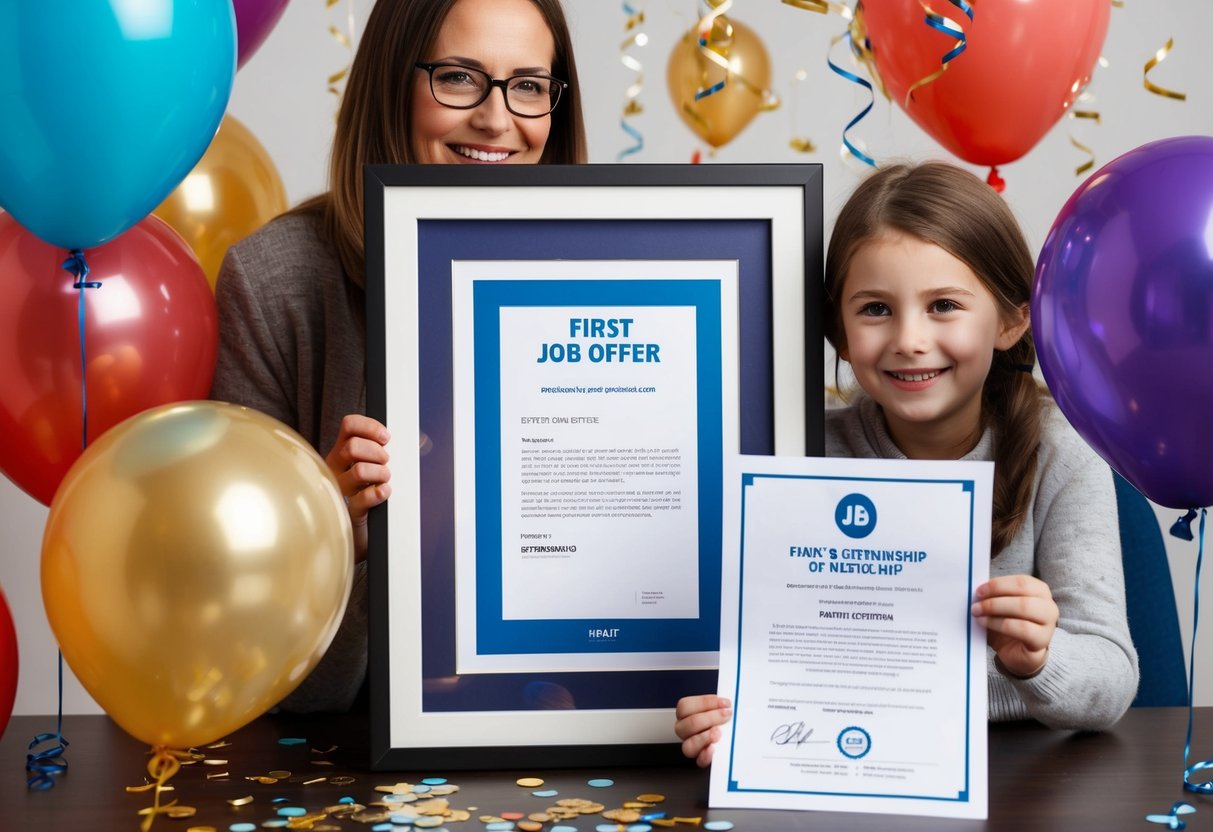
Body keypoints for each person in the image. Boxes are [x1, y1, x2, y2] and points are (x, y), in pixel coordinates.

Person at [675, 161, 1139, 766]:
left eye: (944, 304)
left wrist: (1041, 657)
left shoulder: (1062, 452)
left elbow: (1112, 681)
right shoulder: (796, 454)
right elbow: (766, 659)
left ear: (1011, 318)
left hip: (1025, 774)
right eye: (875, 309)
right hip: (848, 764)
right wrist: (730, 716)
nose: (909, 340)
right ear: (837, 330)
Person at [211, 0, 587, 712]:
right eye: (458, 77)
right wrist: (327, 532)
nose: (497, 120)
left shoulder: (623, 276)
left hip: (581, 731)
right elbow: (246, 664)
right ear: (391, 84)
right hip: (342, 757)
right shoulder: (274, 284)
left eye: (529, 85)